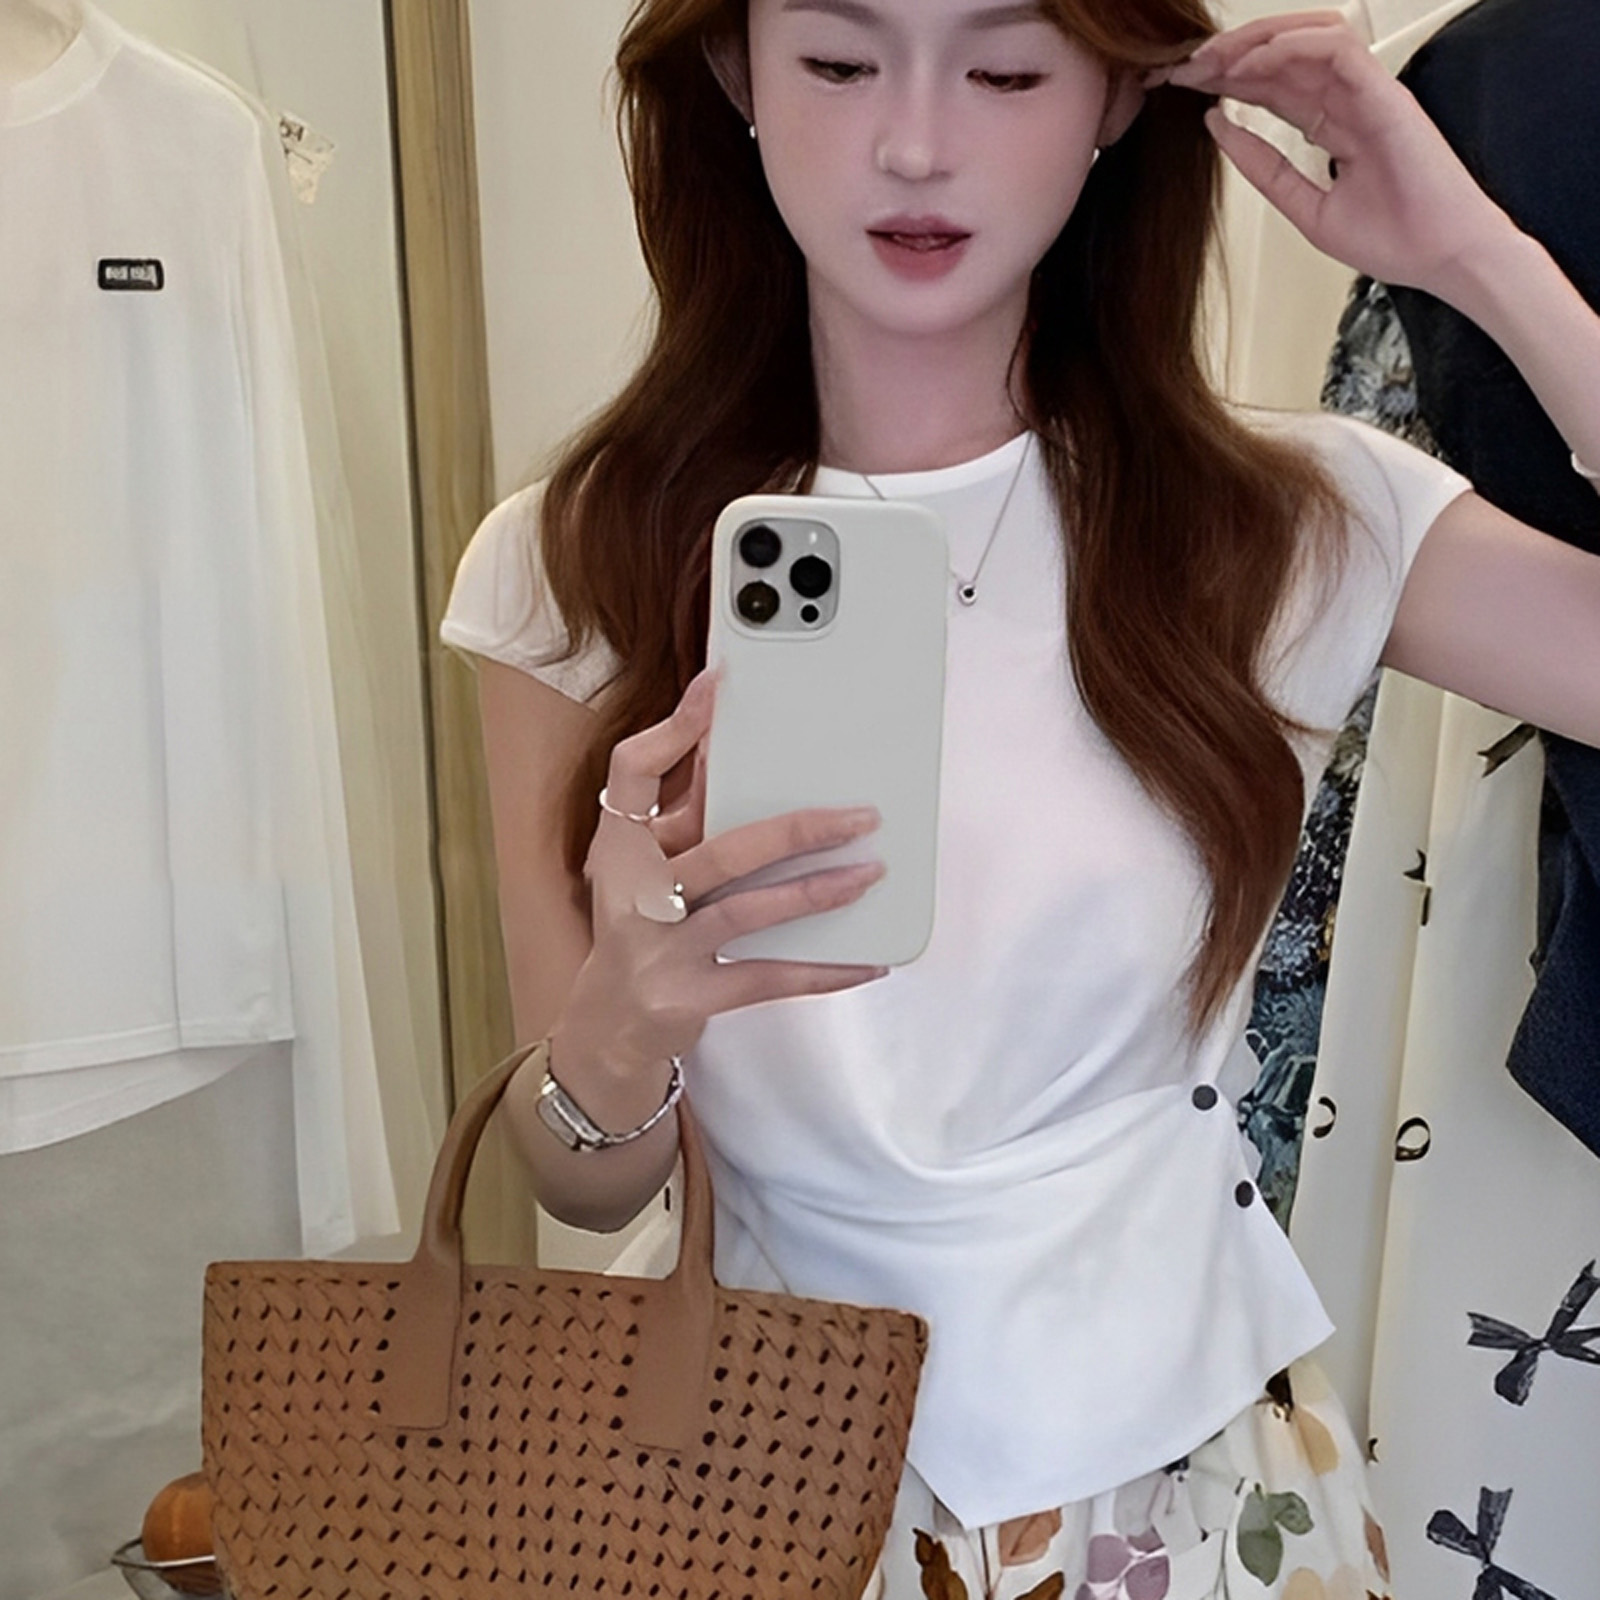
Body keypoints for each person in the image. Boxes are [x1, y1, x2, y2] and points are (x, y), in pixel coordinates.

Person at [440, 3, 1600, 1594]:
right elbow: (579, 1185)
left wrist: (1475, 259)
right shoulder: (572, 559)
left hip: (1184, 1497)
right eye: (841, 63)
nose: (917, 145)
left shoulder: (1285, 526)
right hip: (751, 1479)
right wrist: (623, 1028)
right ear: (735, 76)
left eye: (1003, 72)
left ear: (1117, 96)